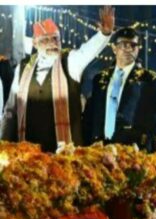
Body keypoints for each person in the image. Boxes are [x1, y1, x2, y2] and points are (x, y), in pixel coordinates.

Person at [0, 6, 114, 152]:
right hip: (29, 154)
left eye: (55, 38)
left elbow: (87, 51)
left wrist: (104, 34)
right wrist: (3, 144)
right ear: (35, 43)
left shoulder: (71, 62)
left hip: (65, 156)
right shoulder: (23, 68)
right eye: (45, 39)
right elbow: (10, 112)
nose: (52, 43)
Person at [82, 27, 156, 152]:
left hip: (132, 151)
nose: (128, 49)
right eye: (123, 44)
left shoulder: (149, 79)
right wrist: (87, 143)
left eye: (133, 45)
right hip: (99, 149)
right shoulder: (100, 78)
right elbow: (91, 113)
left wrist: (143, 139)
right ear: (114, 48)